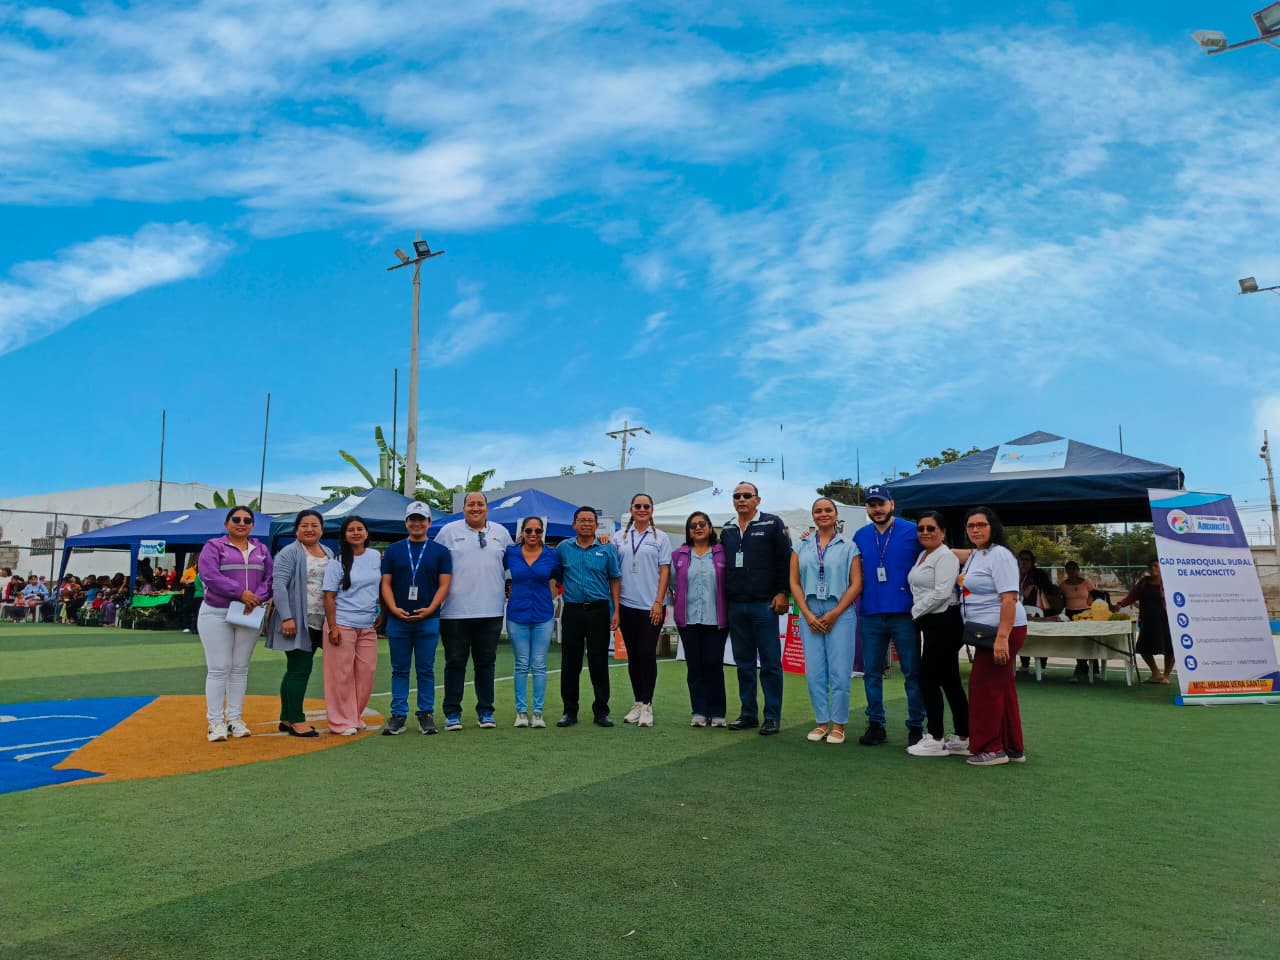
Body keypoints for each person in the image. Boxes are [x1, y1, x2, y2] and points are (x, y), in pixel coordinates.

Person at [851, 484, 925, 746]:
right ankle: (876, 725)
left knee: (912, 673)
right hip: (871, 613)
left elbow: (936, 555)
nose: (877, 509)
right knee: (872, 673)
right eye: (872, 505)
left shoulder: (912, 531)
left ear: (891, 504)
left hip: (905, 613)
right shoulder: (860, 536)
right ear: (867, 508)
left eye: (881, 504)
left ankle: (916, 726)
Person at [435, 492, 513, 731]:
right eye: (471, 504)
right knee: (455, 663)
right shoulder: (448, 531)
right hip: (454, 612)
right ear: (464, 508)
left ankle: (486, 711)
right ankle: (452, 713)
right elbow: (435, 563)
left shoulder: (501, 533)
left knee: (486, 664)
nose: (475, 508)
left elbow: (512, 564)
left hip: (490, 611)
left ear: (487, 508)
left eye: (480, 504)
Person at [720, 481, 791, 736]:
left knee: (770, 664)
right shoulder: (727, 529)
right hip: (736, 605)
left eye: (747, 495)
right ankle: (748, 714)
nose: (741, 499)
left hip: (764, 605)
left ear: (757, 500)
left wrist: (783, 592)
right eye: (737, 496)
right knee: (744, 664)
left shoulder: (772, 523)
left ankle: (772, 716)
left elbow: (785, 559)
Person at [790, 498, 862, 745]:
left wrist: (835, 613)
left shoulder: (849, 546)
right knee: (814, 672)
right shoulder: (800, 546)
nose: (823, 514)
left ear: (836, 514)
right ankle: (822, 722)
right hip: (810, 610)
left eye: (828, 510)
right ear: (813, 516)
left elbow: (856, 583)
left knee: (840, 673)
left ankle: (838, 724)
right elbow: (794, 582)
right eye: (818, 511)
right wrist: (808, 614)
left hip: (839, 611)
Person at [197, 507, 273, 742]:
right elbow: (209, 575)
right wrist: (241, 593)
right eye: (236, 519)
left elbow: (270, 578)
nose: (242, 523)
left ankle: (235, 719)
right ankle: (215, 722)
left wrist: (256, 597)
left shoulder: (261, 549)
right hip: (216, 612)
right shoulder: (214, 546)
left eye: (247, 520)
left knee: (240, 668)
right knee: (219, 668)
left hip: (249, 612)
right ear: (227, 523)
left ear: (252, 525)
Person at [958, 506, 1027, 766]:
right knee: (1002, 687)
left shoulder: (1000, 555)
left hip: (1002, 631)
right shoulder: (977, 555)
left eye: (981, 525)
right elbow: (953, 552)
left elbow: (1009, 598)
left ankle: (991, 748)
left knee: (984, 687)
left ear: (993, 527)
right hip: (987, 631)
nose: (975, 530)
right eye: (971, 526)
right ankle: (1013, 746)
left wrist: (1001, 638)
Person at [380, 502, 452, 735]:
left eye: (421, 519)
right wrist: (393, 608)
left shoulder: (441, 551)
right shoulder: (394, 550)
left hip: (428, 620)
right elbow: (386, 583)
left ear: (429, 523)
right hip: (398, 620)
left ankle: (426, 714)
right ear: (406, 522)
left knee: (425, 670)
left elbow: (444, 584)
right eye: (413, 519)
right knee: (399, 669)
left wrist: (431, 609)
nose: (417, 523)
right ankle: (398, 715)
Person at [905, 510, 969, 758]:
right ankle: (964, 736)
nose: (925, 532)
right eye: (921, 528)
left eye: (931, 528)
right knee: (950, 680)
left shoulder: (946, 556)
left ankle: (935, 737)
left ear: (942, 532)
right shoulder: (923, 554)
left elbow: (942, 592)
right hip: (931, 621)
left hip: (945, 621)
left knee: (928, 679)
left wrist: (914, 611)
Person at [265, 509, 333, 738]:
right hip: (297, 620)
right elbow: (279, 586)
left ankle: (286, 718)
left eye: (315, 525)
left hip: (319, 620)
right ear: (296, 530)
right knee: (300, 669)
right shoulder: (289, 552)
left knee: (295, 669)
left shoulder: (328, 552)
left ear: (322, 529)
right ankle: (297, 720)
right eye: (304, 525)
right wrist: (287, 617)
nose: (310, 529)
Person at [555, 506, 621, 728]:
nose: (586, 524)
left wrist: (616, 610)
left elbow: (614, 579)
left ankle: (601, 711)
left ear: (596, 524)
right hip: (572, 611)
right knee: (570, 663)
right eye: (581, 520)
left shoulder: (607, 548)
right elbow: (555, 574)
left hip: (598, 611)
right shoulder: (563, 548)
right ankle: (569, 711)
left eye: (590, 520)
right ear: (574, 524)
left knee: (599, 661)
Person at [614, 493, 673, 728]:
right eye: (637, 506)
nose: (641, 509)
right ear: (631, 509)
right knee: (634, 655)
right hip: (626, 605)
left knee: (647, 653)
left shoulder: (660, 537)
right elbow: (614, 571)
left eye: (646, 506)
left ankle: (648, 704)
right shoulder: (619, 537)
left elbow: (665, 570)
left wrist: (658, 601)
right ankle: (638, 702)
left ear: (652, 510)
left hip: (651, 606)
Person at [321, 516, 381, 736]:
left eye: (359, 529)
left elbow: (381, 586)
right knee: (341, 675)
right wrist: (333, 627)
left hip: (367, 624)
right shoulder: (336, 562)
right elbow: (328, 596)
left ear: (366, 533)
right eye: (351, 530)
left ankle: (354, 716)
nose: (356, 533)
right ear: (344, 536)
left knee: (366, 673)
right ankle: (340, 722)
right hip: (342, 623)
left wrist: (382, 612)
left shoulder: (375, 556)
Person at [670, 511, 729, 728]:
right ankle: (699, 711)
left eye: (702, 524)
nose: (697, 528)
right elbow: (673, 583)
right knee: (694, 667)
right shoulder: (679, 555)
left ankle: (718, 712)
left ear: (710, 527)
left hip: (716, 619)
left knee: (713, 664)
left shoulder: (722, 553)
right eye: (692, 525)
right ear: (688, 531)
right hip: (689, 620)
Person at [503, 515, 562, 728]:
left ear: (542, 533)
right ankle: (521, 712)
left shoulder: (551, 555)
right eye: (529, 530)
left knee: (538, 665)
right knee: (521, 664)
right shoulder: (511, 553)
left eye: (538, 531)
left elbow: (562, 577)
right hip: (517, 615)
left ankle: (538, 713)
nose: (533, 534)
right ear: (522, 532)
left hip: (543, 615)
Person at [1116, 559, 1174, 684]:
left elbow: (1177, 598)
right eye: (1151, 566)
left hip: (1166, 620)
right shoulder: (1143, 582)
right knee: (1143, 648)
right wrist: (1120, 604)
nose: (1153, 568)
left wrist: (1167, 596)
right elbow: (1132, 596)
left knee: (1169, 648)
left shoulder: (1168, 581)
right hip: (1147, 620)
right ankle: (1156, 673)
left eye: (1156, 566)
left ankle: (1166, 676)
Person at [1060, 560, 1099, 682]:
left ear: (1078, 570)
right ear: (1066, 571)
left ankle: (1091, 669)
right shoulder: (1063, 585)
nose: (1071, 571)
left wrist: (1092, 604)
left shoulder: (1086, 582)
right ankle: (1083, 667)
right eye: (1069, 569)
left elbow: (1094, 595)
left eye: (1074, 568)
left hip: (1086, 614)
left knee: (1088, 639)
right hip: (1071, 614)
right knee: (1077, 642)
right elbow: (1059, 599)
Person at [1016, 550, 1054, 674]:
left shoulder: (1039, 574)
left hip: (1038, 611)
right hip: (1020, 609)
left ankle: (1042, 666)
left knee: (1040, 638)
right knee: (1023, 636)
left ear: (1032, 561)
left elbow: (1049, 590)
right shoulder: (1015, 573)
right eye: (1021, 559)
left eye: (1027, 559)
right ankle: (1024, 664)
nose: (1024, 562)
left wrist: (1034, 587)